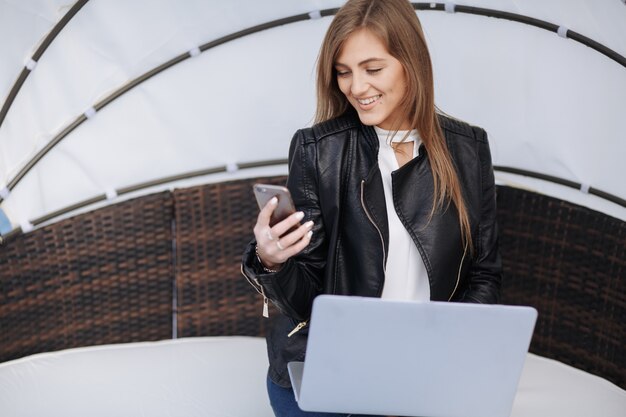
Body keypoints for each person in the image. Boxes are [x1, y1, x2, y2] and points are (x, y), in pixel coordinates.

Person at [241, 0, 502, 415]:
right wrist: (272, 262)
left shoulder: (468, 149)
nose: (356, 87)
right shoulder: (317, 150)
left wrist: (449, 353)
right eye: (343, 72)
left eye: (373, 69)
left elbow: (484, 274)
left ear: (411, 62)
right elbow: (308, 298)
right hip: (328, 371)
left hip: (423, 370)